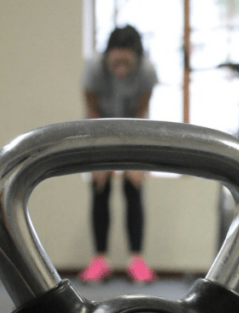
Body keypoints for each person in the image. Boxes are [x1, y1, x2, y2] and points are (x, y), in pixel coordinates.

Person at [78, 25, 159, 284]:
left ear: (136, 59)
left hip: (134, 128)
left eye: (127, 61)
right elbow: (91, 109)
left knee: (133, 186)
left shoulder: (147, 70)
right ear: (107, 55)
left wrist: (136, 161)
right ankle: (99, 260)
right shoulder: (93, 68)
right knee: (99, 187)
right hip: (98, 127)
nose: (121, 66)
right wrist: (100, 156)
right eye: (116, 60)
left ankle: (136, 261)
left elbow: (141, 111)